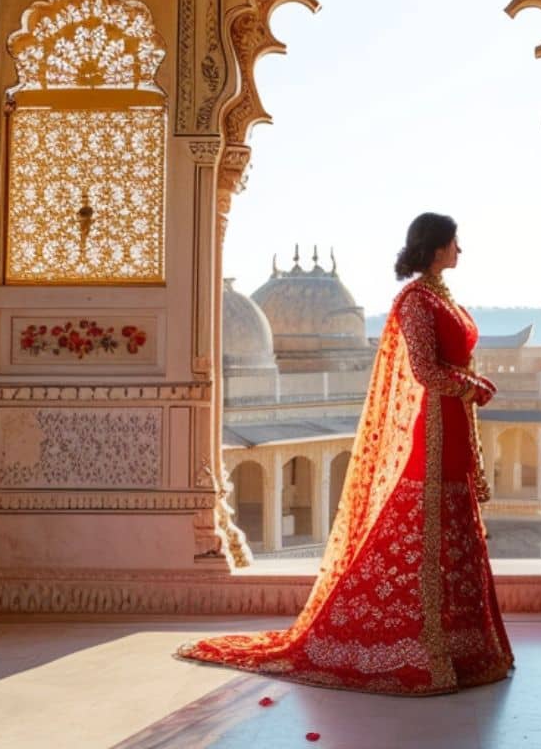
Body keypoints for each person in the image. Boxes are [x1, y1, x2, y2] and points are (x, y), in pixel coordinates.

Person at [175, 212, 514, 694]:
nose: (462, 249)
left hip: (456, 424)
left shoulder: (443, 297)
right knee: (423, 535)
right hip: (435, 428)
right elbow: (425, 371)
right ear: (437, 248)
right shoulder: (415, 301)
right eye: (456, 241)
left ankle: (463, 650)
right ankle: (418, 649)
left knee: (455, 535)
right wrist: (471, 385)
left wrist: (468, 387)